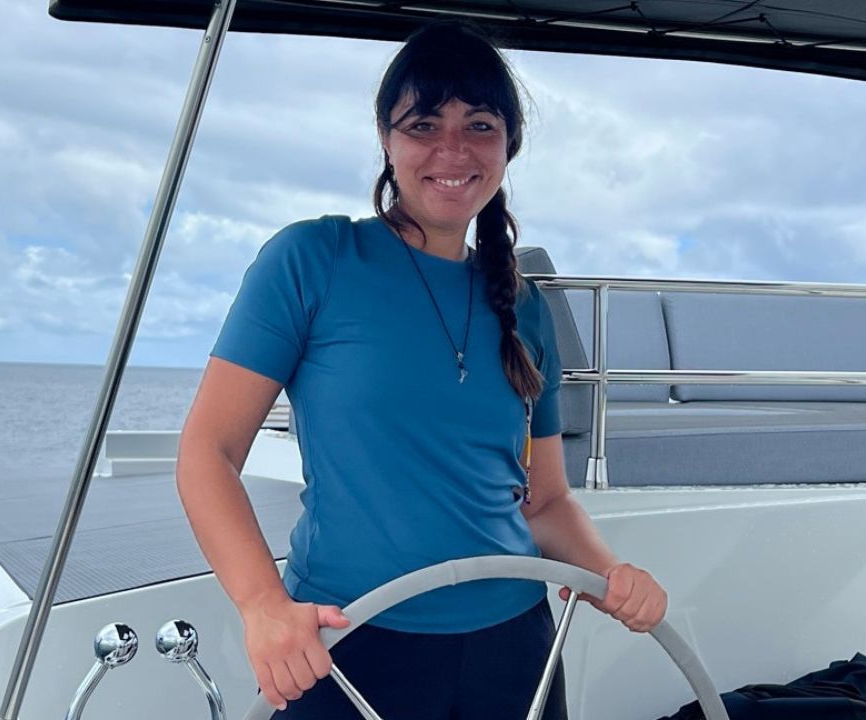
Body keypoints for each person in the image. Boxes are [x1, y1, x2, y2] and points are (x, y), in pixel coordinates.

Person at [176, 21, 667, 719]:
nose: (452, 150)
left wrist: (610, 575)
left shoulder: (525, 306)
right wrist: (263, 606)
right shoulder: (311, 261)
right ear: (386, 137)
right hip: (351, 641)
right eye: (424, 123)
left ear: (508, 147)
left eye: (480, 125)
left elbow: (546, 502)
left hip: (514, 649)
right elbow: (207, 452)